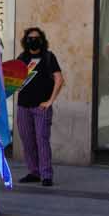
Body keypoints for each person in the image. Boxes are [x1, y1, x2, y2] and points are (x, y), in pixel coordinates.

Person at [13, 25, 63, 187]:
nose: (33, 41)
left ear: (42, 41)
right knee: (27, 140)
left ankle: (46, 174)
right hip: (23, 106)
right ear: (25, 41)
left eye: (36, 39)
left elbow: (59, 79)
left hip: (41, 108)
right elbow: (13, 79)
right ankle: (34, 171)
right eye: (30, 39)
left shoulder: (49, 57)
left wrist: (50, 101)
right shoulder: (22, 58)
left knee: (42, 140)